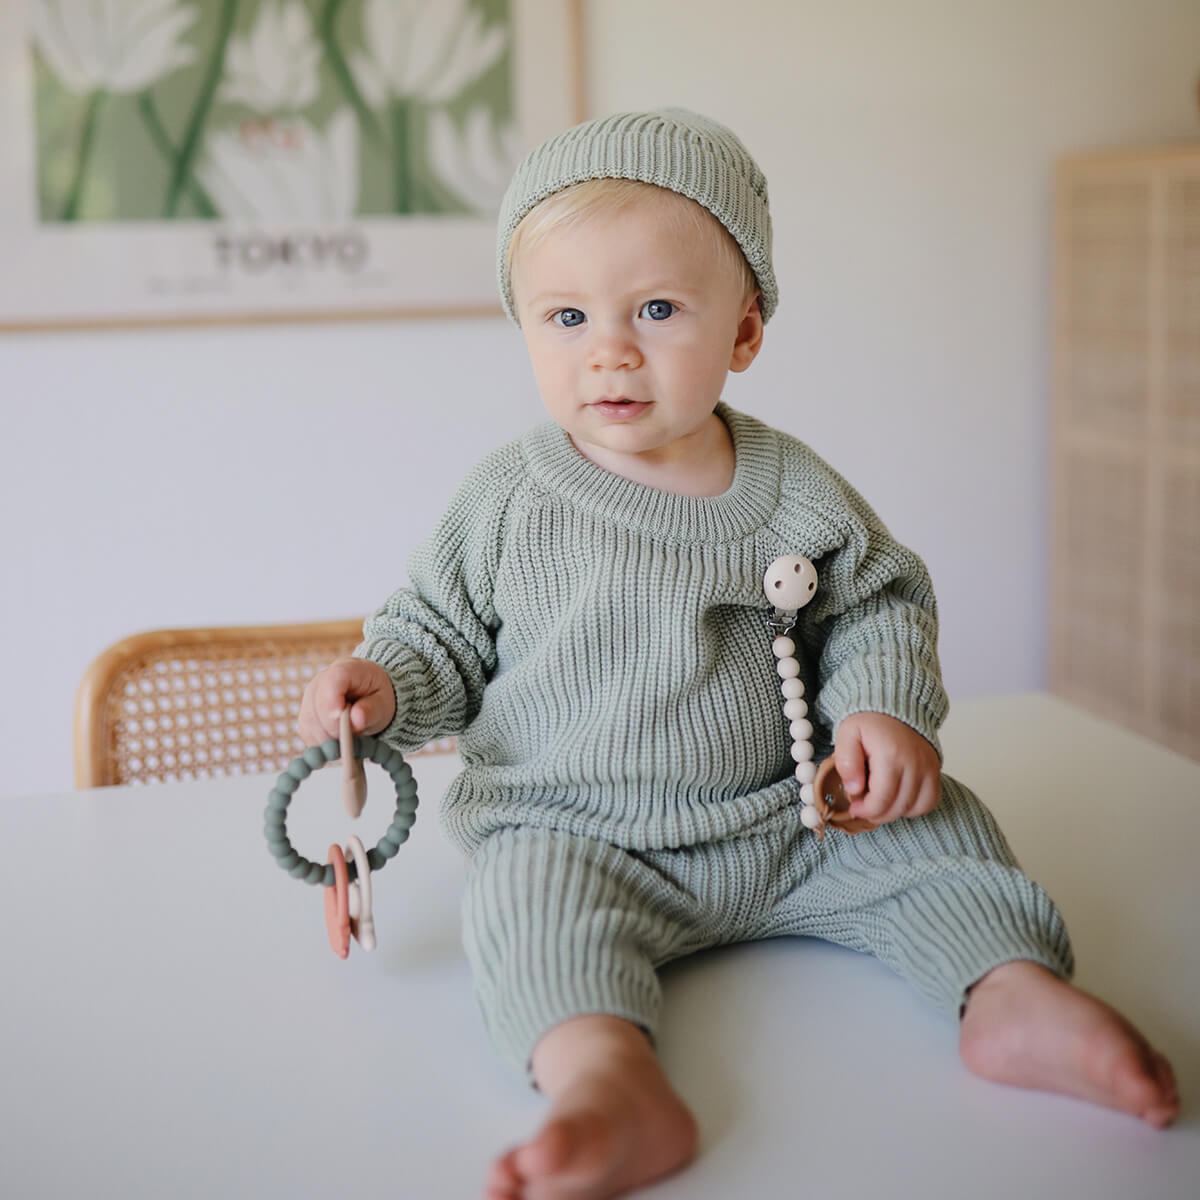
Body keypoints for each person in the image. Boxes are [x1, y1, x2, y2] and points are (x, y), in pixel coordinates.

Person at [298, 108, 1179, 1199]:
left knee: (939, 833)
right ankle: (605, 1078)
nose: (610, 349)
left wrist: (882, 712)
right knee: (525, 908)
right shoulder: (505, 502)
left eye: (658, 309)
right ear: (524, 329)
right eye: (567, 316)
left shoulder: (794, 489)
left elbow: (877, 604)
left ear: (745, 332)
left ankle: (1010, 995)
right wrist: (384, 687)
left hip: (797, 816)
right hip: (582, 835)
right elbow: (437, 634)